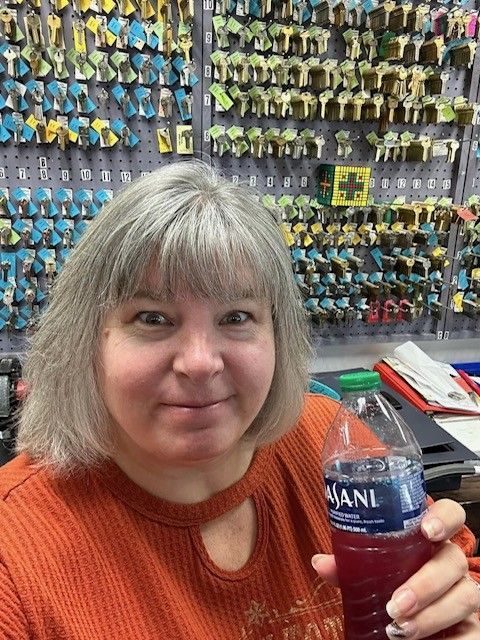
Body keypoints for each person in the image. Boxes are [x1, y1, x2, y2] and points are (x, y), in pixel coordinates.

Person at [0, 161, 478, 639]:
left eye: (235, 317)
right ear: (87, 337)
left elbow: (459, 572)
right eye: (152, 318)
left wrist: (455, 608)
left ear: (277, 334)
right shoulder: (15, 553)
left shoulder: (331, 439)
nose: (200, 363)